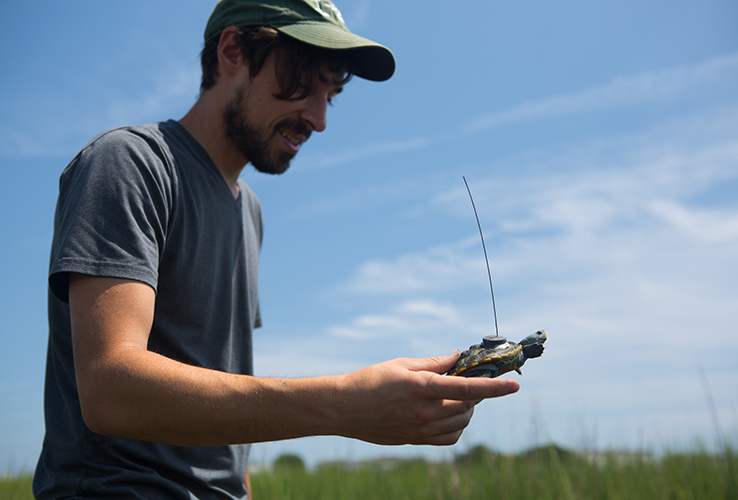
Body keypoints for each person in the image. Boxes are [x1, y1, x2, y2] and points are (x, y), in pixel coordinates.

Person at [33, 1, 520, 498]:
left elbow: (226, 385)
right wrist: (344, 405)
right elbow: (110, 389)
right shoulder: (130, 164)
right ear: (232, 51)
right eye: (303, 83)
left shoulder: (251, 213)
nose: (320, 118)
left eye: (331, 94)